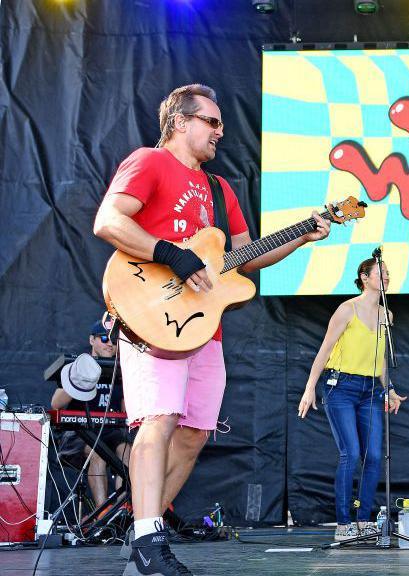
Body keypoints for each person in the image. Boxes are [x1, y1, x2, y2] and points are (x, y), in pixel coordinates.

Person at [93, 84, 331, 576]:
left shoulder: (220, 190)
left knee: (196, 432)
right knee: (157, 420)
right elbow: (109, 220)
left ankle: (146, 527)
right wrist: (171, 253)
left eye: (221, 123)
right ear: (180, 122)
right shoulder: (149, 162)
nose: (221, 131)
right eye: (212, 122)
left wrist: (302, 235)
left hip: (203, 329)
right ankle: (148, 540)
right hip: (152, 317)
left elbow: (245, 258)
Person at [297, 256, 407, 540]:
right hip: (341, 387)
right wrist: (310, 388)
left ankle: (363, 520)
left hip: (371, 389)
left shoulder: (387, 316)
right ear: (365, 277)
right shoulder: (347, 309)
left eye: (388, 273)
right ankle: (343, 523)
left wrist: (390, 388)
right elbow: (325, 349)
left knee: (373, 456)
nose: (386, 277)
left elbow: (380, 359)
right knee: (351, 453)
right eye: (381, 273)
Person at [51, 318, 133, 510]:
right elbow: (55, 405)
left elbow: (125, 413)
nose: (110, 343)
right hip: (78, 433)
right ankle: (102, 510)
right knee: (98, 452)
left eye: (114, 339)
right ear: (91, 340)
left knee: (128, 451)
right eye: (104, 338)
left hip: (108, 431)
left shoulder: (121, 371)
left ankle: (121, 508)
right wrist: (78, 379)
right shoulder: (77, 365)